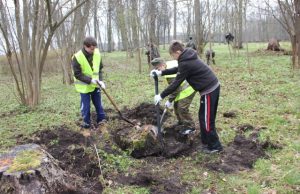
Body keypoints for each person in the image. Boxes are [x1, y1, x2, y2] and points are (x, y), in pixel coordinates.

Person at [150, 40, 223, 153]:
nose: (173, 58)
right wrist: (162, 73)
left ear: (178, 52)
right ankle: (206, 142)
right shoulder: (187, 57)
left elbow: (176, 83)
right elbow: (178, 69)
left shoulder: (185, 61)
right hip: (207, 89)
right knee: (203, 117)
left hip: (210, 89)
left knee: (207, 120)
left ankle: (215, 146)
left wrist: (161, 95)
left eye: (173, 55)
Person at [151, 58, 196, 134]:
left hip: (189, 87)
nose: (159, 71)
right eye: (156, 69)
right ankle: (182, 123)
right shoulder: (167, 65)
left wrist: (169, 100)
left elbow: (175, 88)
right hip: (182, 88)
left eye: (158, 69)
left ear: (162, 65)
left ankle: (190, 127)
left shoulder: (170, 73)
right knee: (176, 106)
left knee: (182, 108)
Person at [72, 36, 106, 129]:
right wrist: (90, 80)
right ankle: (86, 124)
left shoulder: (97, 53)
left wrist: (101, 80)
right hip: (84, 87)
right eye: (91, 49)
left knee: (99, 104)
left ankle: (101, 120)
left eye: (94, 48)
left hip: (96, 85)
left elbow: (99, 69)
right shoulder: (77, 57)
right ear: (85, 46)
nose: (93, 50)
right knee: (86, 107)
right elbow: (77, 74)